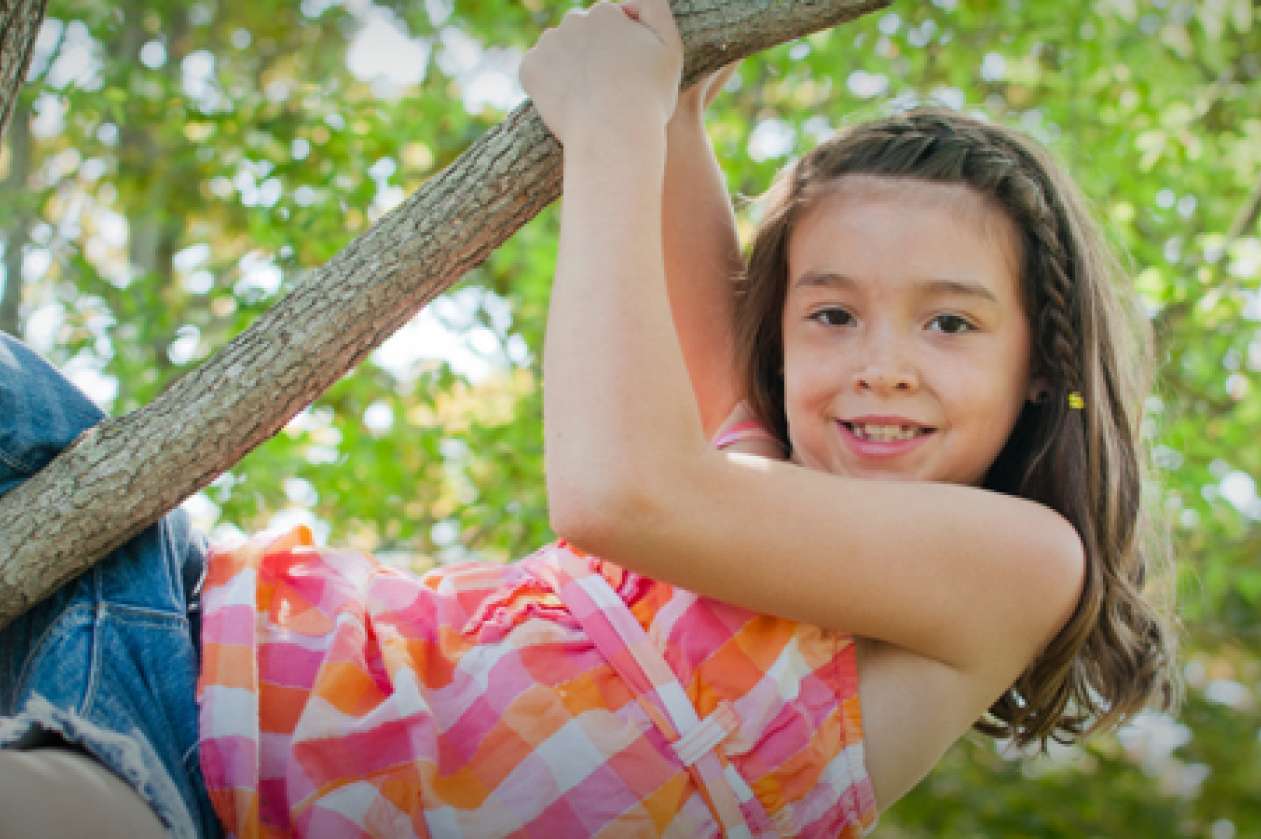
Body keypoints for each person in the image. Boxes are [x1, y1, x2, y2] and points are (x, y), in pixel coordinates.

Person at [0, 2, 1175, 836]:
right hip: (175, 628)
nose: (881, 367)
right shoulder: (750, 459)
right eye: (830, 313)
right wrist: (659, 98)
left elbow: (621, 492)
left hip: (170, 790)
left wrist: (608, 130)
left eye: (950, 324)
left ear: (1041, 364)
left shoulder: (1019, 563)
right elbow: (664, 127)